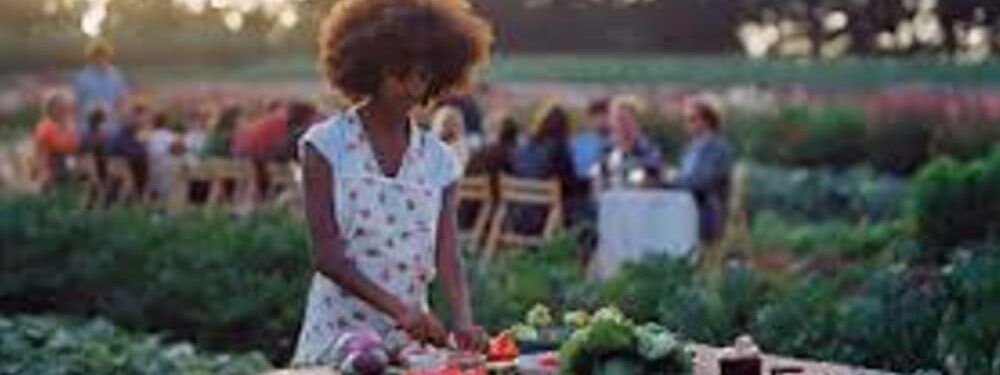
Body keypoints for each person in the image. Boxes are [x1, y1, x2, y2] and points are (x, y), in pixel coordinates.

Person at [292, 0, 493, 366]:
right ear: (369, 68)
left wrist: (463, 320)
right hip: (337, 340)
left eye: (422, 75)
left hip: (409, 347)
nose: (412, 85)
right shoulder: (325, 145)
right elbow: (328, 257)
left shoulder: (439, 160)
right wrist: (402, 311)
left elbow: (447, 252)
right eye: (399, 73)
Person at [671, 99, 734, 243]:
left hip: (706, 212)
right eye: (686, 120)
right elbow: (684, 179)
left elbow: (702, 183)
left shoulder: (718, 148)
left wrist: (673, 180)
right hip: (687, 206)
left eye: (692, 119)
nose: (688, 125)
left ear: (707, 121)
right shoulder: (690, 149)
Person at [599, 95, 663, 188]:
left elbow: (654, 181)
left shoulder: (649, 151)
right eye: (616, 119)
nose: (621, 125)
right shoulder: (607, 150)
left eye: (624, 119)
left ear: (635, 121)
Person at [73, 40, 129, 140]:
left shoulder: (116, 76)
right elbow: (77, 104)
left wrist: (120, 120)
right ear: (90, 57)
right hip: (87, 128)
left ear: (108, 57)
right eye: (96, 56)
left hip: (111, 127)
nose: (100, 59)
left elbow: (121, 101)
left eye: (103, 55)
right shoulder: (82, 77)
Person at [33, 93, 79, 189]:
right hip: (51, 163)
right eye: (60, 108)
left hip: (68, 164)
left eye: (66, 108)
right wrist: (43, 172)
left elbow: (75, 148)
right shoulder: (45, 126)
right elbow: (40, 152)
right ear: (51, 109)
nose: (64, 111)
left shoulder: (70, 126)